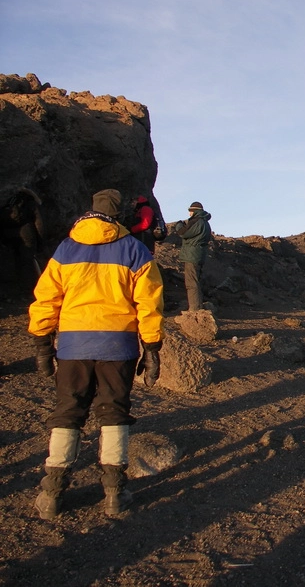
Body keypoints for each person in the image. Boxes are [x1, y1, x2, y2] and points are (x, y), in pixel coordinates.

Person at [28, 189, 164, 519]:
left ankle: (51, 492)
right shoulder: (135, 250)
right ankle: (115, 493)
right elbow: (150, 304)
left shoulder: (66, 249)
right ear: (119, 216)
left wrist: (43, 345)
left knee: (69, 410)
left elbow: (46, 300)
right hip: (118, 346)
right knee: (114, 411)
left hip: (74, 346)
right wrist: (152, 348)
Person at [175, 201, 212, 311]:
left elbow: (183, 233)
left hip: (192, 255)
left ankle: (194, 309)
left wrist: (179, 225)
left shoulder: (196, 221)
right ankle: (198, 306)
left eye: (190, 211)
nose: (189, 214)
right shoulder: (205, 222)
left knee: (191, 282)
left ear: (194, 211)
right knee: (196, 281)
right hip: (199, 254)